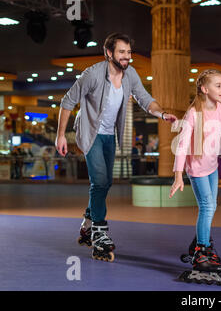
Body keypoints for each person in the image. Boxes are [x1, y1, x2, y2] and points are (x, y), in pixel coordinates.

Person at [55, 32, 176, 262]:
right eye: (122, 52)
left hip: (110, 135)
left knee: (105, 182)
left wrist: (161, 113)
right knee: (99, 181)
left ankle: (87, 224)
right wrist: (61, 135)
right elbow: (68, 101)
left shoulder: (130, 74)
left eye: (129, 52)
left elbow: (144, 97)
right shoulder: (92, 74)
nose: (127, 56)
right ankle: (99, 232)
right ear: (108, 52)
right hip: (90, 134)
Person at [169, 69, 221, 285]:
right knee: (207, 206)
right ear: (205, 89)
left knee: (213, 205)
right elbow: (182, 146)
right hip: (196, 168)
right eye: (218, 85)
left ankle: (199, 242)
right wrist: (178, 176)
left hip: (212, 167)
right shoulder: (194, 112)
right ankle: (202, 251)